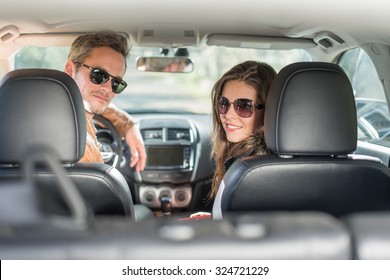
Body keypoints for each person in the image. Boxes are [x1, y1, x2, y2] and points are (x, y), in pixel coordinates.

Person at [64, 31, 146, 172]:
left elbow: (91, 101)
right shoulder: (82, 149)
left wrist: (127, 125)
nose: (108, 89)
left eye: (116, 83)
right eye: (99, 74)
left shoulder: (47, 106)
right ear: (70, 70)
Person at [209, 60, 276, 203]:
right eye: (223, 103)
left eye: (244, 106)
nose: (228, 115)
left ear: (269, 110)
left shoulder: (249, 170)